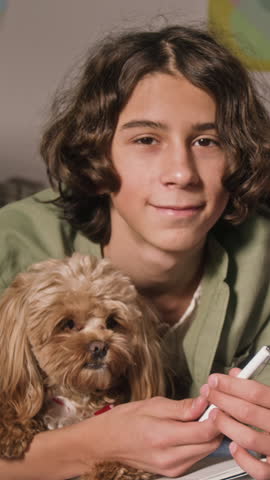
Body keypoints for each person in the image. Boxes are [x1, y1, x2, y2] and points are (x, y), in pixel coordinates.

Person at [1, 23, 270, 480]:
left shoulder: (262, 261)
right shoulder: (12, 243)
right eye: (146, 139)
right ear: (98, 155)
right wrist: (92, 447)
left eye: (207, 141)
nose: (181, 173)